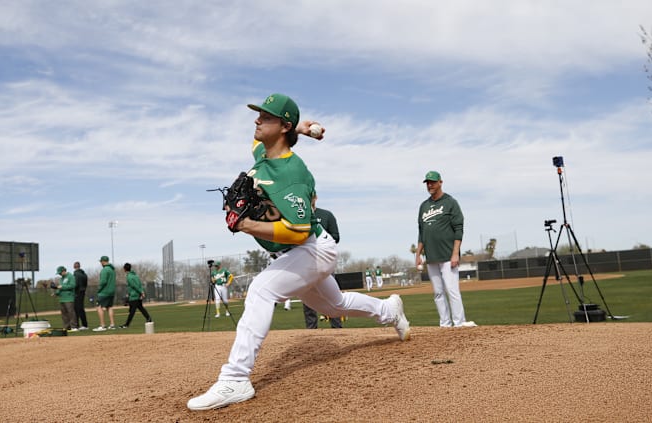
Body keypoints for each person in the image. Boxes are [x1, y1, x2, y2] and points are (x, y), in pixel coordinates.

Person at [187, 93, 410, 411]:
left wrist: (247, 225)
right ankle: (390, 311)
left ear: (281, 125)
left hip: (312, 248)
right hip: (295, 254)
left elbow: (297, 230)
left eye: (265, 116)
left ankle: (235, 379)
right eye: (259, 114)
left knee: (261, 290)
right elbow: (274, 143)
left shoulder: (294, 174)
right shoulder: (262, 155)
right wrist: (303, 130)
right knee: (335, 306)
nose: (257, 120)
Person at [415, 170, 476, 328]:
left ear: (440, 182)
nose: (430, 185)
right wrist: (418, 254)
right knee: (438, 293)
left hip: (448, 255)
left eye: (433, 182)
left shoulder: (450, 202)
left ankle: (459, 322)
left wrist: (455, 253)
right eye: (428, 182)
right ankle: (445, 323)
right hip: (431, 257)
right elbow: (422, 233)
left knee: (452, 291)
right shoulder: (424, 206)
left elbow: (458, 229)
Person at [303, 194, 342, 329]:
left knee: (333, 298)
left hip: (324, 262)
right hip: (306, 263)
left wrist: (320, 236)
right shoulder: (299, 216)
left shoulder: (326, 215)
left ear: (315, 198)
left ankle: (337, 328)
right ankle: (311, 330)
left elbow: (336, 236)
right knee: (308, 300)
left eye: (311, 197)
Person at [121, 263, 152, 328]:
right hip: (137, 295)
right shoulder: (135, 276)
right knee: (140, 308)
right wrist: (141, 292)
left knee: (132, 311)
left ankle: (127, 324)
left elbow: (134, 286)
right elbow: (140, 285)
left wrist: (141, 292)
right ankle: (149, 318)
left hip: (134, 296)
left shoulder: (129, 276)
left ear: (125, 269)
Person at [93, 255, 117, 331]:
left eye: (101, 261)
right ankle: (112, 324)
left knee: (98, 307)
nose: (100, 263)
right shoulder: (112, 270)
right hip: (111, 292)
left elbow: (103, 282)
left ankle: (102, 325)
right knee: (109, 307)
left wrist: (99, 289)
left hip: (104, 292)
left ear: (103, 261)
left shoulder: (104, 270)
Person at [54, 266, 78, 331]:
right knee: (64, 314)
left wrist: (62, 287)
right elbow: (60, 288)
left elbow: (72, 285)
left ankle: (74, 327)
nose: (59, 274)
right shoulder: (61, 279)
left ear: (64, 271)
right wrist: (56, 293)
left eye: (60, 273)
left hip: (69, 298)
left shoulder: (70, 276)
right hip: (62, 298)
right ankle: (67, 327)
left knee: (71, 313)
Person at [73, 261, 89, 330]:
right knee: (81, 308)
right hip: (83, 291)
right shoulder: (84, 274)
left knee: (77, 309)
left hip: (77, 293)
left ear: (74, 267)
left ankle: (78, 325)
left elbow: (75, 284)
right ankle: (84, 324)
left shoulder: (76, 274)